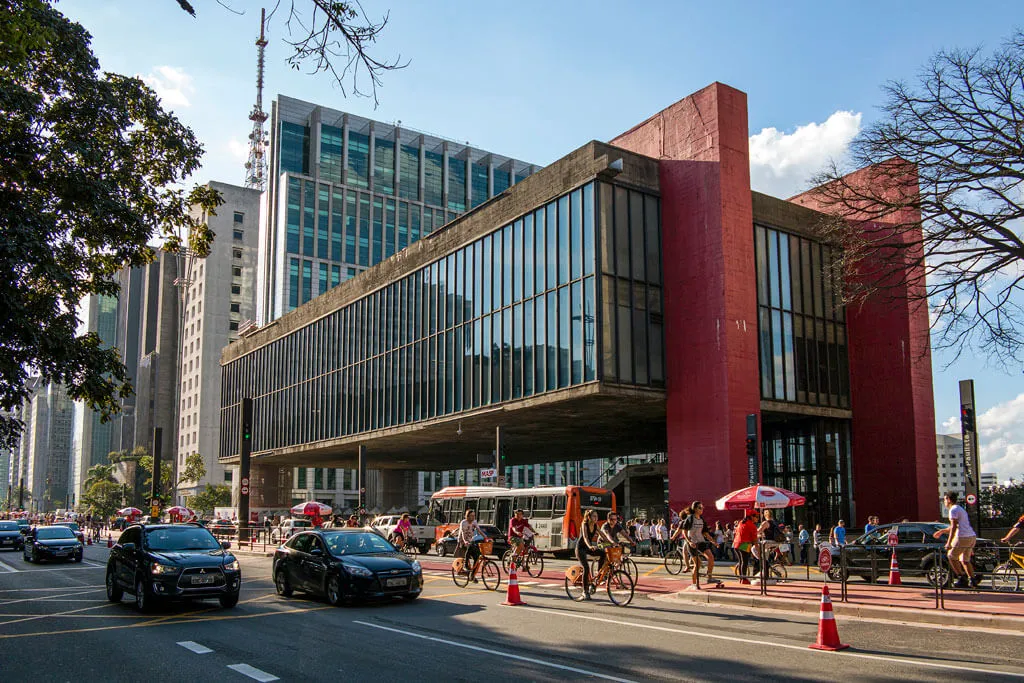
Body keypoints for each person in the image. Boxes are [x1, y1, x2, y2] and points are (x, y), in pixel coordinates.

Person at [942, 491, 979, 588]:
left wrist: (949, 543)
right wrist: (942, 531)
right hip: (971, 536)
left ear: (949, 500)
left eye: (945, 499)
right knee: (965, 560)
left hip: (962, 536)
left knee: (951, 556)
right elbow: (959, 525)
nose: (944, 502)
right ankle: (972, 580)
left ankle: (961, 577)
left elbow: (954, 527)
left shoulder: (953, 510)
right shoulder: (960, 509)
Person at [681, 501, 720, 585]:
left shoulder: (701, 519)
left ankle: (709, 577)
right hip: (693, 543)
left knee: (711, 558)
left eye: (702, 507)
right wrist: (689, 541)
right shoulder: (690, 518)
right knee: (698, 564)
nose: (702, 509)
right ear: (695, 509)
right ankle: (694, 584)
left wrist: (714, 542)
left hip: (701, 541)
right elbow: (684, 531)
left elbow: (705, 533)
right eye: (700, 508)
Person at [576, 510, 602, 598]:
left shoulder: (595, 525)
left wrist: (612, 543)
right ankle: (584, 591)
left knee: (603, 554)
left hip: (588, 547)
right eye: (594, 516)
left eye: (597, 516)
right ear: (589, 517)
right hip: (580, 548)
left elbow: (603, 535)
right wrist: (590, 546)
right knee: (586, 567)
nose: (596, 518)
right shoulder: (584, 524)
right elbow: (585, 536)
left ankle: (599, 573)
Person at [458, 509, 484, 582]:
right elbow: (463, 533)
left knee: (477, 556)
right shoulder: (463, 522)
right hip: (462, 541)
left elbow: (479, 530)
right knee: (469, 547)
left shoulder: (474, 522)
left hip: (470, 541)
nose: (473, 517)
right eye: (471, 516)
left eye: (474, 516)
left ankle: (472, 575)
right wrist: (465, 541)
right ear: (467, 516)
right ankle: (466, 565)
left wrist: (486, 537)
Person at [733, 513, 758, 584]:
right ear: (752, 517)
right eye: (756, 517)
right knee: (745, 562)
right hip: (745, 543)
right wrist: (757, 549)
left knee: (741, 561)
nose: (757, 518)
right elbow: (755, 539)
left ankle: (742, 578)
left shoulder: (741, 522)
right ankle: (743, 579)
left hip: (736, 543)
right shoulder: (752, 525)